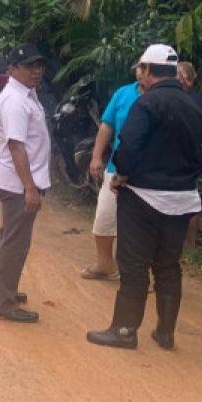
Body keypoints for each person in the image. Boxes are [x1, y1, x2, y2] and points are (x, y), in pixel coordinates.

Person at [87, 44, 202, 350]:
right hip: (182, 198)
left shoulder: (147, 103)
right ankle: (165, 332)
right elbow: (200, 153)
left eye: (139, 69)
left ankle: (125, 331)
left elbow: (129, 147)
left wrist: (122, 176)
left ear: (146, 70)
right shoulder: (194, 104)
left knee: (134, 264)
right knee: (168, 265)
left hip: (142, 197)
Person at [0, 43, 51, 323]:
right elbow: (16, 146)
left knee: (8, 237)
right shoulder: (15, 100)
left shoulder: (25, 94)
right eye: (29, 66)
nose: (36, 71)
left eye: (39, 66)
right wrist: (29, 188)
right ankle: (4, 302)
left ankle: (0, 291)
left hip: (15, 182)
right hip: (17, 185)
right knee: (15, 243)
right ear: (12, 69)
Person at [85, 66, 143, 280]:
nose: (141, 72)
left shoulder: (160, 97)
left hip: (147, 174)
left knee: (141, 227)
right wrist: (96, 156)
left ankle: (139, 274)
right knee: (104, 217)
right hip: (116, 168)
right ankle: (105, 264)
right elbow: (106, 126)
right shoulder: (123, 93)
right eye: (139, 67)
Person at [177, 61, 202, 249]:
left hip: (186, 158)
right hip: (187, 157)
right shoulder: (192, 98)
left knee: (189, 202)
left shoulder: (192, 100)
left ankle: (190, 243)